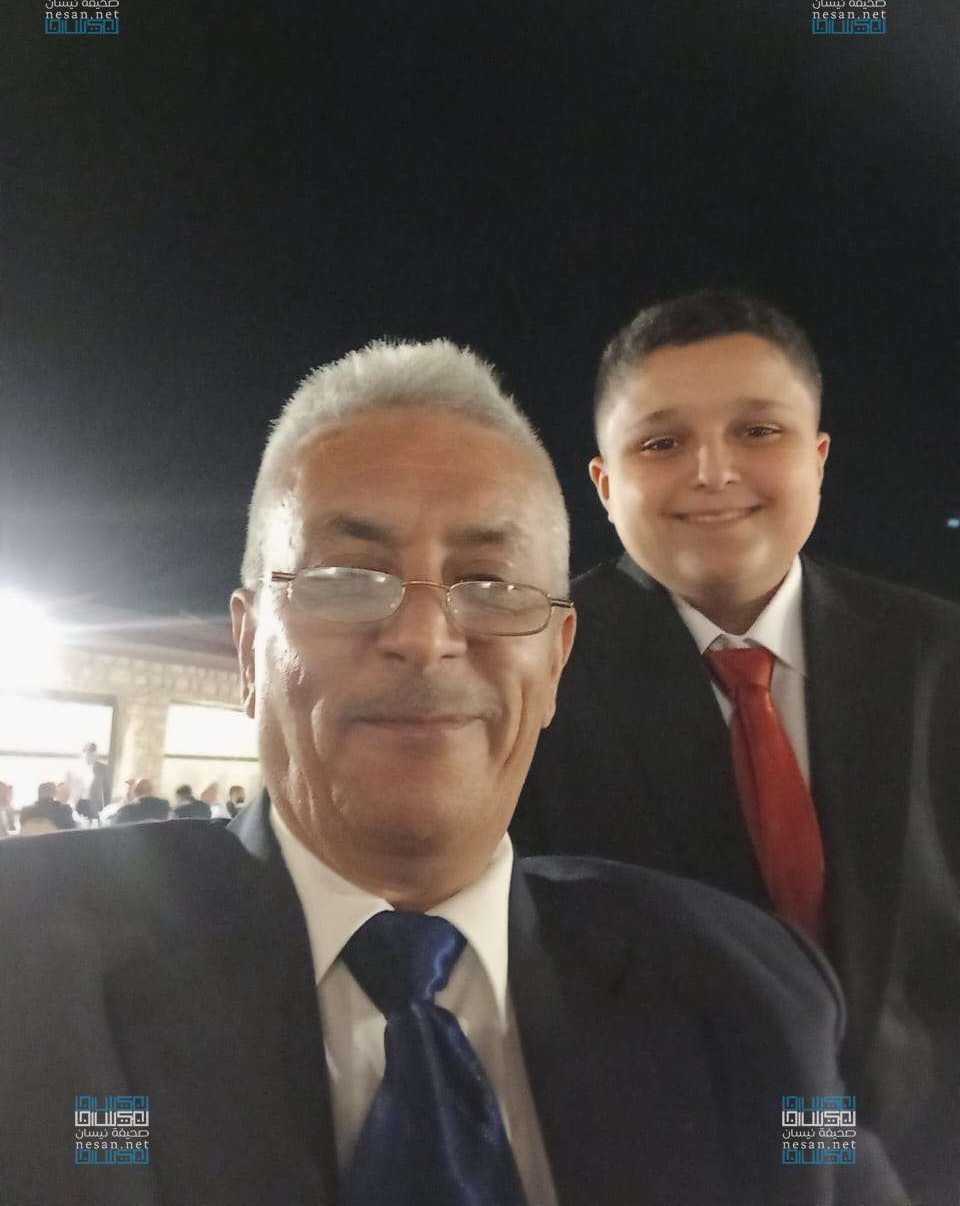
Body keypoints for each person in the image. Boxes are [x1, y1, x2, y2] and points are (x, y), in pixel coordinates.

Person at [0, 339, 902, 1205]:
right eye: (347, 577)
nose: (425, 637)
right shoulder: (29, 966)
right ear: (247, 649)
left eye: (490, 585)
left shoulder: (749, 992)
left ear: (556, 661)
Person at [511, 288, 960, 1200]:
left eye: (758, 431)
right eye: (661, 443)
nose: (713, 471)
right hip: (666, 1170)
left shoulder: (937, 655)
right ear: (603, 484)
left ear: (818, 457)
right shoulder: (532, 672)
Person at [60, 743, 112, 821]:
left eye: (92, 754)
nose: (90, 757)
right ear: (83, 753)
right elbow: (65, 787)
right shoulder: (72, 769)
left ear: (95, 754)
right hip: (75, 804)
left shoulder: (102, 768)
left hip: (94, 806)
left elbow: (107, 790)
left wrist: (106, 809)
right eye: (88, 754)